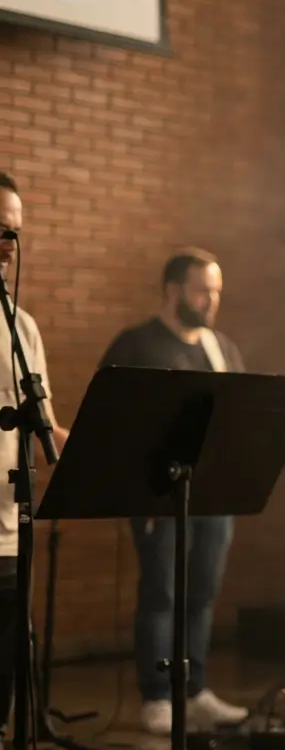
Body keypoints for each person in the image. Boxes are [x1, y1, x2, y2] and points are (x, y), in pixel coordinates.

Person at [96, 248, 249, 735]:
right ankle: (157, 696)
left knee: (202, 593)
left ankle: (195, 688)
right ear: (173, 290)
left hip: (213, 497)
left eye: (217, 291)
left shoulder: (221, 348)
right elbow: (110, 418)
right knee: (161, 593)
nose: (212, 300)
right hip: (157, 497)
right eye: (203, 290)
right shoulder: (136, 345)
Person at [0, 172, 70, 738]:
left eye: (14, 232)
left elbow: (46, 426)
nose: (7, 244)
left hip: (8, 536)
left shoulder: (22, 327)